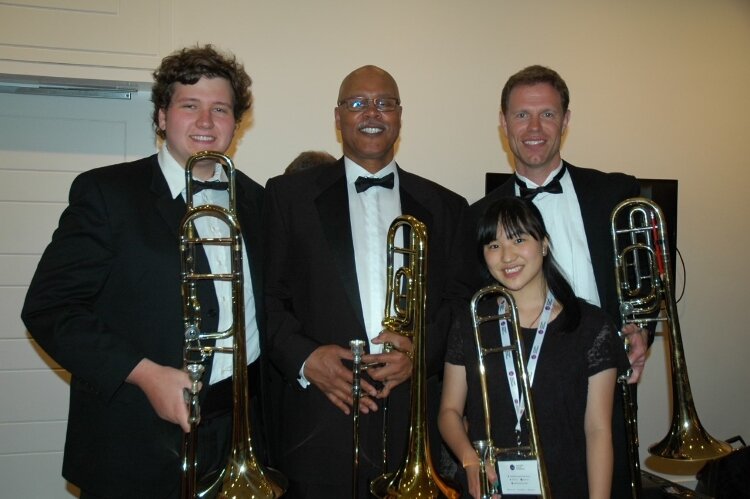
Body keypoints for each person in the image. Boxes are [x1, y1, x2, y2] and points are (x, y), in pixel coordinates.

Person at [21, 45, 269, 499]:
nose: (206, 122)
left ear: (237, 121)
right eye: (189, 106)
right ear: (160, 116)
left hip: (237, 434)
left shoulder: (259, 202)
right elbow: (50, 309)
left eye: (220, 109)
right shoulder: (107, 193)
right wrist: (144, 373)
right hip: (135, 436)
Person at [263, 64, 468, 497]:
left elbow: (458, 304)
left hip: (412, 429)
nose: (371, 112)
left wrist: (422, 355)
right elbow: (267, 300)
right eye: (357, 103)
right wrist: (306, 359)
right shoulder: (287, 197)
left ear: (399, 116)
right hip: (318, 430)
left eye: (384, 103)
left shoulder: (447, 206)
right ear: (337, 118)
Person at [461, 65, 651, 499]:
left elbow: (641, 284)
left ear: (566, 120)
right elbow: (473, 317)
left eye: (547, 114)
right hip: (518, 402)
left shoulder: (615, 192)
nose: (533, 128)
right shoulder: (476, 217)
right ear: (503, 123)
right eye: (521, 115)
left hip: (602, 393)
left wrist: (643, 331)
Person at [440, 197, 628, 499]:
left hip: (568, 485)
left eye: (518, 239)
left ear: (544, 244)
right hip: (491, 489)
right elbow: (449, 411)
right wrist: (470, 460)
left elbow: (598, 430)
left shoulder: (592, 326)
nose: (506, 256)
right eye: (493, 245)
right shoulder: (470, 323)